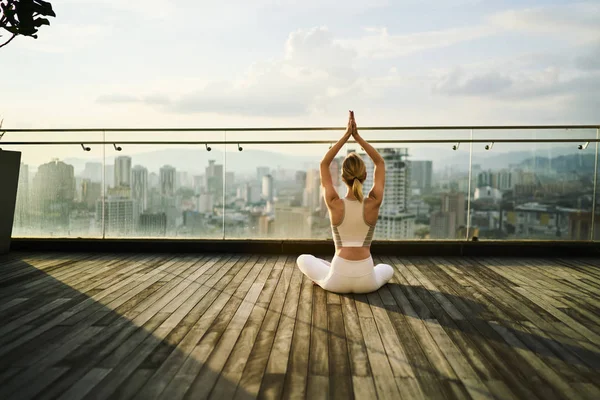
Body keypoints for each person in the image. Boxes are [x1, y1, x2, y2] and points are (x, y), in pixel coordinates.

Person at [296, 111, 394, 293]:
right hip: (367, 282)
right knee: (388, 269)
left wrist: (346, 135)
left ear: (342, 177)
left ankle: (326, 271)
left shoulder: (334, 203)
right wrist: (357, 137)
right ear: (365, 176)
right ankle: (329, 270)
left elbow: (324, 164)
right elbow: (380, 163)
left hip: (337, 280)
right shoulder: (373, 202)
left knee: (303, 258)